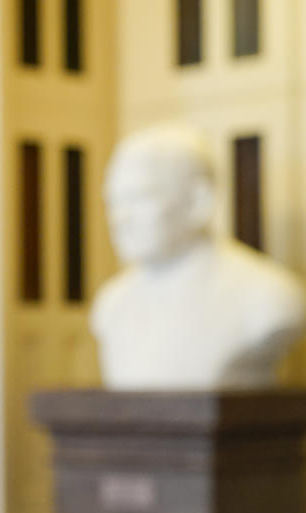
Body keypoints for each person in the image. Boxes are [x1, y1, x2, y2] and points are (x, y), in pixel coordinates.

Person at [91, 123, 305, 389]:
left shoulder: (269, 297)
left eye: (139, 198)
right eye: (113, 201)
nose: (120, 218)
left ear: (198, 201)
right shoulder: (112, 304)